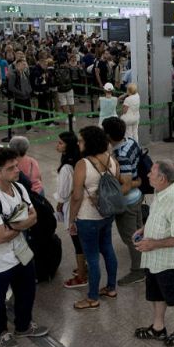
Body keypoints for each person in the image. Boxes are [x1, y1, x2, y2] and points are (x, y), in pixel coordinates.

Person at [0, 148, 49, 347]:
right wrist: (21, 225)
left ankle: (23, 326)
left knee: (27, 291)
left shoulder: (19, 188)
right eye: (11, 168)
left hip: (21, 253)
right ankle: (1, 331)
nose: (17, 170)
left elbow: (34, 216)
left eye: (16, 165)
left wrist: (12, 226)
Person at [134, 160, 174, 347]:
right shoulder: (160, 191)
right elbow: (156, 216)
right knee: (156, 294)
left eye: (151, 172)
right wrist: (144, 229)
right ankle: (158, 328)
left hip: (170, 262)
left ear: (162, 178)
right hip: (154, 260)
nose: (147, 175)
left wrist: (153, 244)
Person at [68, 126, 120, 310]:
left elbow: (76, 196)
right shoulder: (112, 160)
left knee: (92, 257)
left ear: (88, 142)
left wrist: (71, 219)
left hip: (87, 217)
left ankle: (92, 297)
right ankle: (111, 288)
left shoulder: (83, 164)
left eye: (81, 140)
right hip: (107, 214)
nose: (78, 143)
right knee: (107, 248)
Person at [102, 117, 146, 286]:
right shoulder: (131, 142)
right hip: (137, 196)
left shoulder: (121, 155)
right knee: (139, 233)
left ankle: (138, 271)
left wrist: (106, 199)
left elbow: (126, 186)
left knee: (131, 237)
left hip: (127, 201)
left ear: (108, 135)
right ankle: (144, 262)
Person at [56, 131, 87, 289]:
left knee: (77, 242)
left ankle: (82, 275)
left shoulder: (67, 167)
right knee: (81, 240)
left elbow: (64, 191)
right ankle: (83, 267)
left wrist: (60, 203)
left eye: (61, 142)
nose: (57, 145)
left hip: (72, 206)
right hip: (84, 204)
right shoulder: (80, 160)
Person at [8, 58, 34, 132]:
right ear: (18, 65)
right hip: (19, 97)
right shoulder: (13, 74)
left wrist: (30, 91)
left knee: (28, 112)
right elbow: (11, 87)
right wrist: (20, 92)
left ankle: (28, 128)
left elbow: (27, 83)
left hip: (27, 96)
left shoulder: (25, 73)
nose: (25, 66)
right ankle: (10, 127)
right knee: (15, 113)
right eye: (23, 64)